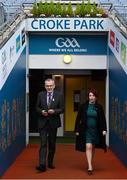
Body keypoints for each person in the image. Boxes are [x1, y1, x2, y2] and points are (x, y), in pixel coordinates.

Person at [74, 88, 107, 175]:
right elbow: (78, 118)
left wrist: (104, 129)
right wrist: (77, 129)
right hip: (86, 130)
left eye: (93, 95)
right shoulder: (83, 106)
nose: (91, 97)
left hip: (96, 131)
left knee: (93, 147)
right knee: (88, 146)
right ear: (88, 97)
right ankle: (89, 166)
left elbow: (103, 120)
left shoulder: (99, 107)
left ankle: (90, 162)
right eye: (90, 95)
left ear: (96, 97)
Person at [36, 78, 64, 172]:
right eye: (47, 86)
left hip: (53, 123)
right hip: (42, 122)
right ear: (45, 86)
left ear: (54, 86)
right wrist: (42, 111)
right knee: (43, 143)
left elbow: (62, 109)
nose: (49, 87)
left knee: (52, 144)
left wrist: (54, 111)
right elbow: (37, 107)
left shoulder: (59, 95)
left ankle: (50, 162)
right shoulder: (40, 94)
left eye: (51, 86)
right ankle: (42, 165)